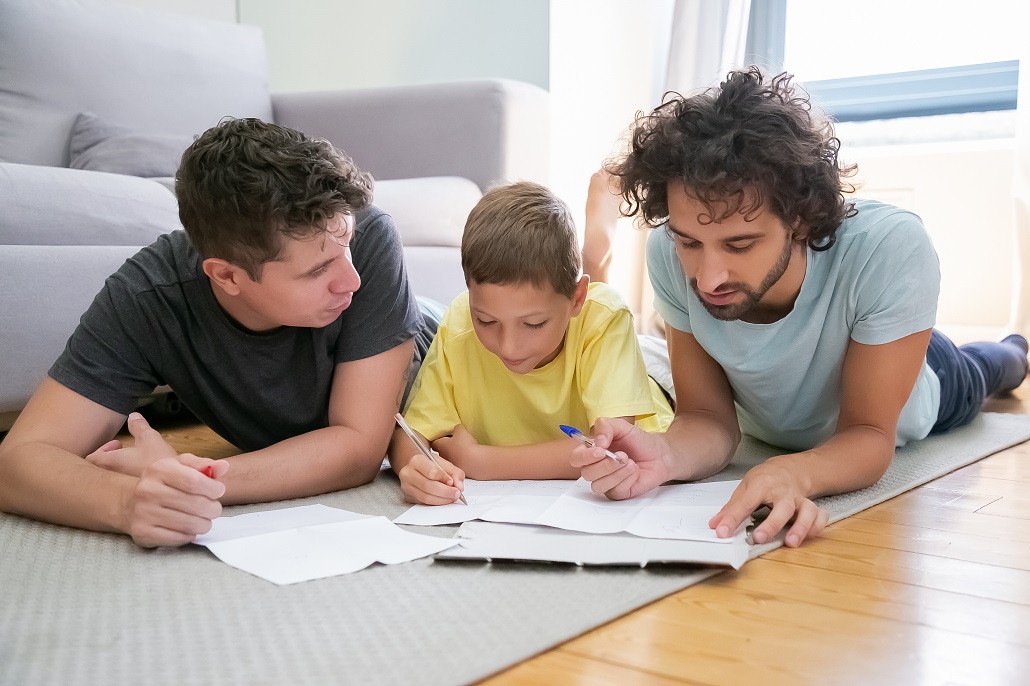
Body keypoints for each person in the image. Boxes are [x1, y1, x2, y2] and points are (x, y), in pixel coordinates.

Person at [574, 67, 1029, 548]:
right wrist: (662, 455)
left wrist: (796, 472)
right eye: (690, 242)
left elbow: (869, 432)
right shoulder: (667, 252)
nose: (708, 279)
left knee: (993, 366)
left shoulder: (889, 247)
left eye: (740, 244)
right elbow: (706, 417)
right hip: (787, 412)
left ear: (800, 221)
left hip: (925, 377)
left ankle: (1016, 349)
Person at [0, 118, 437, 547]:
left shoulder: (370, 237)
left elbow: (360, 449)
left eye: (347, 248)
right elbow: (18, 461)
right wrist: (130, 500)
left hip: (458, 354)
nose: (352, 280)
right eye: (319, 269)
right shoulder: (149, 295)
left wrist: (194, 477)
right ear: (226, 276)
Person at [389, 181, 674, 505]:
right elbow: (408, 437)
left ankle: (599, 249)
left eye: (533, 324)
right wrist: (416, 468)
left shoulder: (602, 317)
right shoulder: (458, 325)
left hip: (658, 382)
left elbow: (610, 449)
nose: (509, 347)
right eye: (486, 321)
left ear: (576, 298)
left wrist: (481, 462)